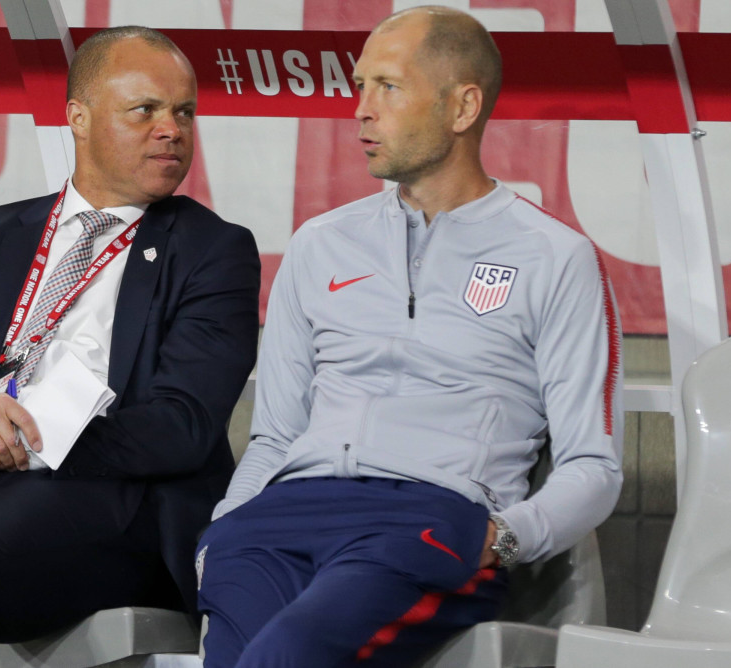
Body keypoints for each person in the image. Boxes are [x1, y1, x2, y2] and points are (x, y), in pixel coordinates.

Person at [195, 7, 622, 667]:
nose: (361, 110)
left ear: (462, 107)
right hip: (281, 515)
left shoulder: (555, 257)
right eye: (360, 85)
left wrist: (503, 540)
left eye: (387, 87)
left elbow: (592, 468)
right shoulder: (319, 244)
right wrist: (223, 528)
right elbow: (275, 437)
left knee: (279, 659)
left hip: (426, 519)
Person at [0, 26, 260, 668]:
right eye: (145, 109)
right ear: (79, 118)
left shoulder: (214, 250)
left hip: (107, 490)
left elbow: (185, 426)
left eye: (184, 111)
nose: (171, 129)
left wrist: (29, 442)